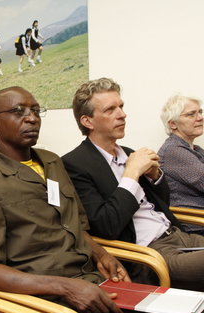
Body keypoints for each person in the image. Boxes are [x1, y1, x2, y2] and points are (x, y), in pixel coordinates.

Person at [0, 86, 204, 313]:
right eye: (18, 111)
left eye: (36, 111)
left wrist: (101, 254)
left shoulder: (50, 162)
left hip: (94, 286)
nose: (31, 118)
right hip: (43, 311)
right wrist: (65, 286)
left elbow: (74, 223)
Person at [62, 77, 204, 291]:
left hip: (176, 234)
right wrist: (131, 174)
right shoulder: (74, 164)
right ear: (88, 121)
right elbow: (105, 226)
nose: (122, 114)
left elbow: (162, 203)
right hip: (151, 254)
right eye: (110, 110)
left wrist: (154, 176)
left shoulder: (128, 152)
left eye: (121, 106)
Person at [158, 95, 204, 234]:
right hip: (195, 226)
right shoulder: (174, 151)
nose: (200, 117)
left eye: (200, 112)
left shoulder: (195, 149)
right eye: (191, 114)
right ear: (173, 124)